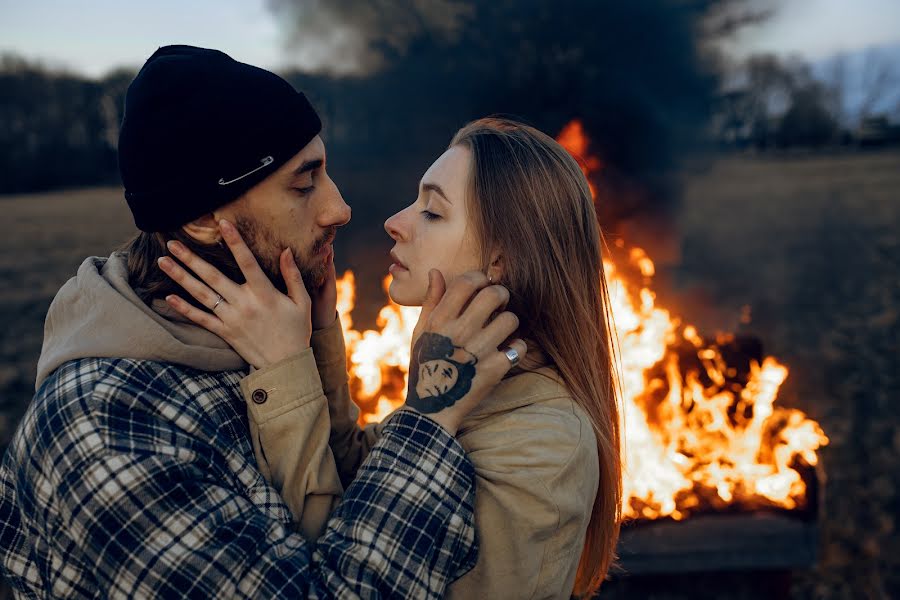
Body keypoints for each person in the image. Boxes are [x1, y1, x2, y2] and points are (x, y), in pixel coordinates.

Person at [0, 46, 526, 599]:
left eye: (326, 172)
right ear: (204, 218)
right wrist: (430, 415)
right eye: (303, 184)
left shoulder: (252, 335)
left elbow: (346, 503)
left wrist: (315, 352)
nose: (340, 209)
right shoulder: (107, 427)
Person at [164, 117, 624, 598]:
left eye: (432, 213)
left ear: (501, 259)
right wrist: (317, 339)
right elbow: (357, 478)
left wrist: (284, 368)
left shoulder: (542, 442)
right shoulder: (485, 387)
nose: (395, 222)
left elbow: (343, 567)